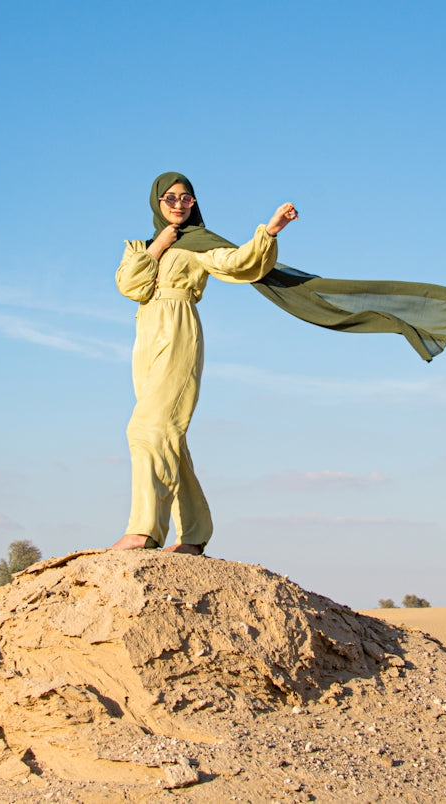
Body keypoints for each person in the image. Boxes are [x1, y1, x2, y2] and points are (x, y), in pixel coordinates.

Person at [109, 171, 297, 554]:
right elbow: (132, 287)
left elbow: (238, 263)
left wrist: (270, 232)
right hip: (146, 336)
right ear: (156, 202)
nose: (179, 205)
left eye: (186, 198)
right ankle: (194, 533)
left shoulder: (199, 244)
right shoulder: (138, 246)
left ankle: (144, 530)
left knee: (146, 428)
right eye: (171, 198)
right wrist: (160, 244)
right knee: (168, 435)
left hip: (179, 331)